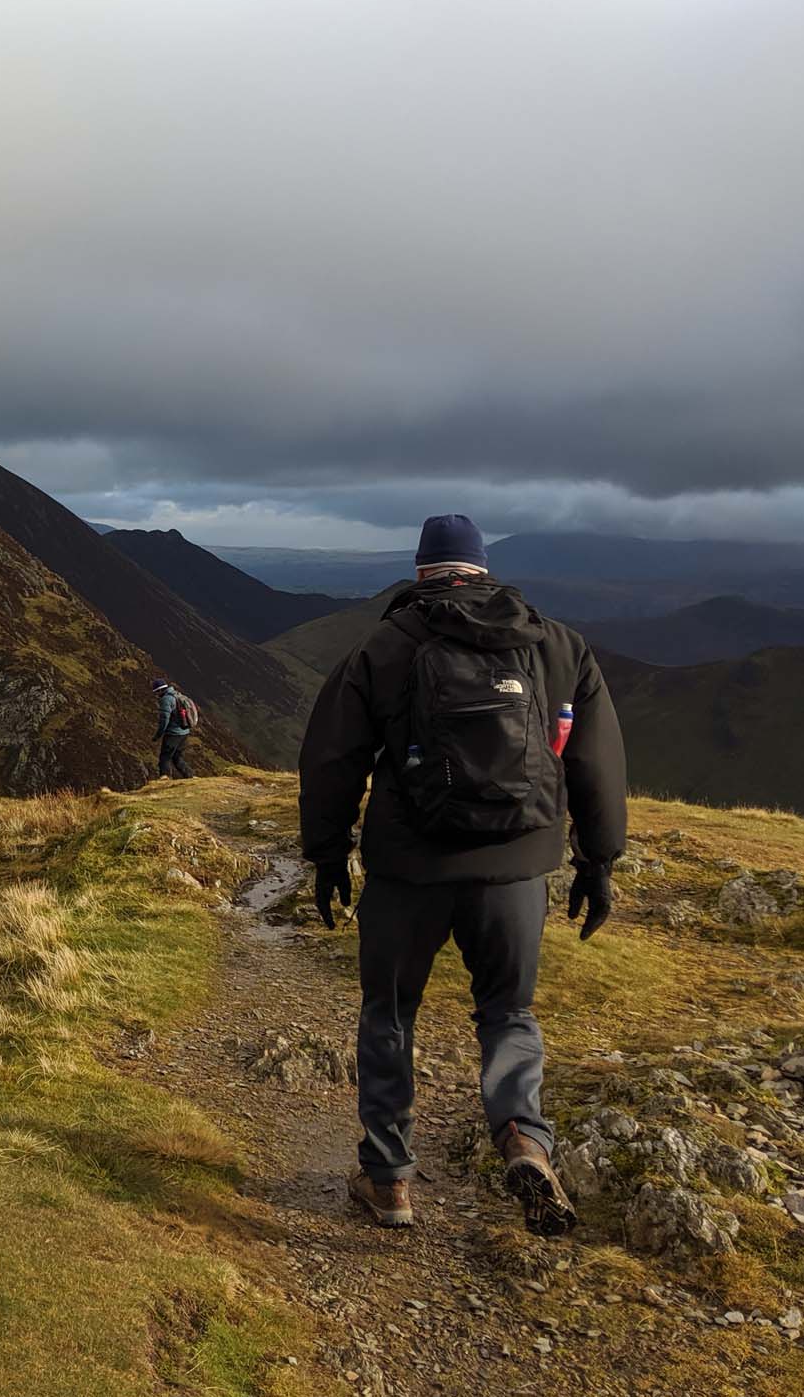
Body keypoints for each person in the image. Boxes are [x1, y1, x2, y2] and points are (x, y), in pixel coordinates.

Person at [297, 514, 626, 1236]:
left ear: (422, 572)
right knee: (507, 1013)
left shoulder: (384, 648)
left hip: (407, 871)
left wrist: (324, 855)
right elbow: (594, 762)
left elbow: (332, 759)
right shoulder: (559, 646)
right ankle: (524, 1140)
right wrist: (598, 862)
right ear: (482, 569)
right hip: (516, 869)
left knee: (389, 1013)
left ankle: (388, 1182)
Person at [151, 677, 194, 779]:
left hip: (173, 734)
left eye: (156, 692)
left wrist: (158, 735)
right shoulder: (177, 694)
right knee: (176, 757)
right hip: (184, 732)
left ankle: (164, 779)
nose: (156, 695)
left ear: (160, 690)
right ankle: (190, 776)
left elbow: (164, 719)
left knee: (164, 757)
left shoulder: (166, 699)